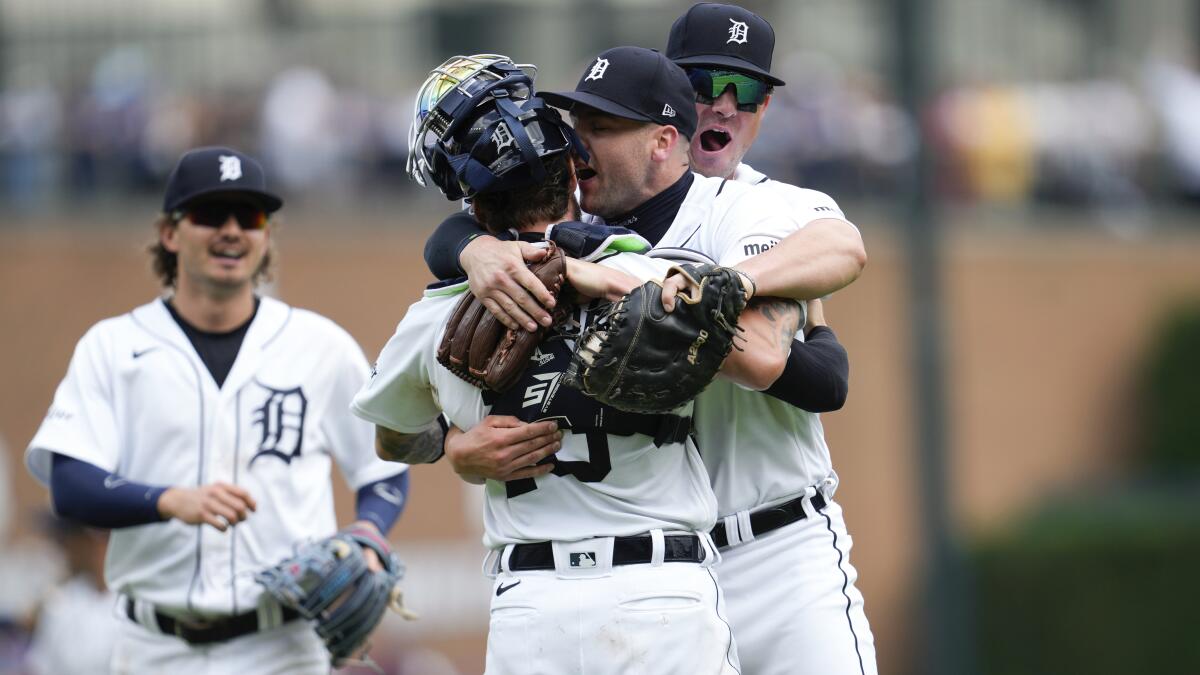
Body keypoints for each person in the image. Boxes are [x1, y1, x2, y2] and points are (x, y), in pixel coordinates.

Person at [425, 18, 878, 673]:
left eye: (740, 89)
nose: (719, 103)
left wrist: (696, 289)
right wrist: (477, 252)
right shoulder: (568, 231)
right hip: (656, 568)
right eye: (700, 82)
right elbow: (450, 244)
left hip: (777, 547)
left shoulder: (764, 211)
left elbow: (820, 354)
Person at [354, 53, 803, 675]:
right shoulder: (661, 278)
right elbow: (776, 350)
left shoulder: (431, 321)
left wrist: (455, 445)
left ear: (468, 202)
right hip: (662, 595)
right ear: (572, 167)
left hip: (530, 611)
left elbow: (393, 439)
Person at [24, 146, 410, 674]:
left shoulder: (320, 346)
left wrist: (369, 529)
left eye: (249, 217)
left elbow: (383, 467)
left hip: (285, 649)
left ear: (266, 236)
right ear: (169, 232)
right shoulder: (113, 347)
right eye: (210, 214)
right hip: (155, 648)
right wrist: (167, 500)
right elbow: (70, 487)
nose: (232, 230)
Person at [24, 515, 118, 675]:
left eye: (65, 539)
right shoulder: (59, 601)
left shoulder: (135, 603)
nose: (62, 550)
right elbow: (38, 668)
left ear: (93, 541)